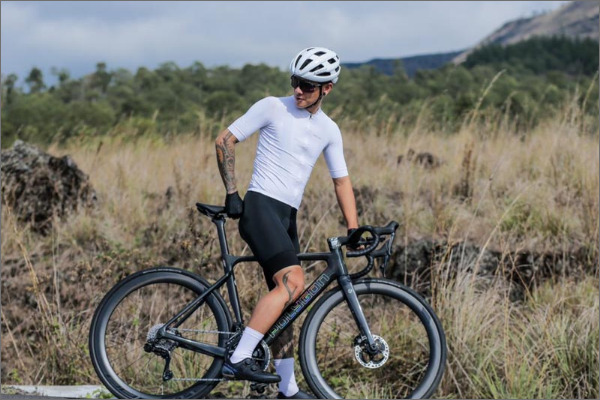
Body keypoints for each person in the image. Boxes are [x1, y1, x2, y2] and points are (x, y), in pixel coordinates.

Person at [215, 47, 360, 399]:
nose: (298, 90)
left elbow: (341, 181)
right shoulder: (272, 107)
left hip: (287, 217)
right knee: (294, 283)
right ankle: (238, 358)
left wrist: (354, 228)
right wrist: (233, 193)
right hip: (260, 208)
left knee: (289, 306)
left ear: (327, 89)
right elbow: (225, 140)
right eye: (295, 81)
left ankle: (287, 388)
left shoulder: (329, 129)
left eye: (307, 85)